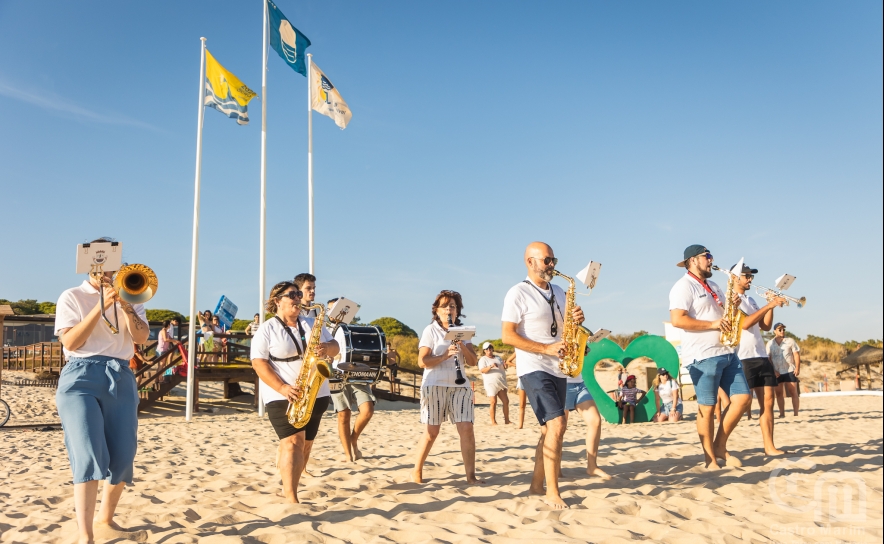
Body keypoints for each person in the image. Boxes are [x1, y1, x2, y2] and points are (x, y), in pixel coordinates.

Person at [54, 237, 151, 544]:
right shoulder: (71, 296)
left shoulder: (131, 297)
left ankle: (106, 519)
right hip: (80, 376)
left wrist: (124, 305)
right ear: (89, 265)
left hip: (120, 374)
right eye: (98, 263)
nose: (105, 269)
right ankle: (86, 536)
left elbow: (142, 337)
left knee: (123, 456)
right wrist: (100, 305)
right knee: (89, 454)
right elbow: (71, 342)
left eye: (111, 262)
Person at [501, 242, 585, 509]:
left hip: (558, 368)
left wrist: (577, 320)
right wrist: (545, 348)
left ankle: (536, 486)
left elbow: (564, 329)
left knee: (550, 429)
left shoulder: (560, 291)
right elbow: (507, 335)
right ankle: (552, 492)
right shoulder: (517, 293)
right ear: (530, 262)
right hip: (533, 366)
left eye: (553, 260)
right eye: (547, 260)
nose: (552, 265)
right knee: (558, 425)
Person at [250, 281, 339, 503]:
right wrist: (282, 387)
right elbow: (258, 363)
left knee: (306, 443)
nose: (298, 298)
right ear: (277, 301)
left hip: (316, 392)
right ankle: (291, 497)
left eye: (299, 294)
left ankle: (292, 483)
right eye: (293, 295)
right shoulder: (267, 329)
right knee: (292, 442)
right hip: (282, 394)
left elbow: (336, 346)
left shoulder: (311, 322)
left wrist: (327, 348)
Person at [669, 244, 751, 469]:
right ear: (693, 260)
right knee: (707, 407)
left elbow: (724, 314)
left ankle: (719, 445)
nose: (711, 260)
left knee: (743, 398)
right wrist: (713, 324)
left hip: (727, 351)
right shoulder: (683, 286)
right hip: (702, 355)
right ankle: (710, 459)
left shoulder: (714, 284)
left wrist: (732, 307)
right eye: (708, 256)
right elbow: (678, 320)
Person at [412, 290, 483, 485]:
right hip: (435, 384)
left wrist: (461, 344)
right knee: (432, 432)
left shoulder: (463, 331)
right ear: (436, 310)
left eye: (452, 306)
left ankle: (471, 476)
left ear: (457, 311)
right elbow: (422, 361)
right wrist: (445, 355)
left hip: (460, 385)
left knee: (467, 428)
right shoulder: (430, 330)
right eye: (445, 306)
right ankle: (417, 470)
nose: (449, 309)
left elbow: (473, 361)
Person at [734, 264, 786, 455]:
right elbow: (746, 324)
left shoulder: (751, 299)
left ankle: (769, 447)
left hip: (761, 355)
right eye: (746, 276)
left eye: (751, 276)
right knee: (741, 404)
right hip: (744, 356)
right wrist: (769, 304)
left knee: (769, 402)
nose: (750, 279)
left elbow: (765, 326)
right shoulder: (732, 299)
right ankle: (721, 444)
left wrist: (770, 306)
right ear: (735, 277)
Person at [563, 372, 610, 479]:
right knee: (560, 428)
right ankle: (556, 468)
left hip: (579, 384)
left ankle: (592, 466)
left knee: (595, 421)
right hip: (560, 384)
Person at [767, 323, 802, 417]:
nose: (782, 331)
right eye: (780, 329)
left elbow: (796, 354)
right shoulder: (770, 343)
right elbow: (768, 358)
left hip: (790, 370)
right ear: (774, 331)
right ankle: (782, 414)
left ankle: (796, 414)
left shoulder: (790, 341)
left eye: (783, 329)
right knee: (778, 393)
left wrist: (797, 368)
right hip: (777, 371)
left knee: (793, 392)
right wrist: (773, 371)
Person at [478, 342, 511, 425]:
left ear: (492, 349)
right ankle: (493, 421)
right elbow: (482, 370)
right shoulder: (483, 359)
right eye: (487, 349)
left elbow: (503, 368)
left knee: (506, 401)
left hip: (501, 382)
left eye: (490, 348)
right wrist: (490, 366)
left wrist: (505, 365)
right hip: (491, 383)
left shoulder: (498, 358)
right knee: (493, 402)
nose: (489, 350)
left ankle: (507, 420)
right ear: (484, 350)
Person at [506, 353, 528, 429]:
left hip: (533, 376)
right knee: (522, 404)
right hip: (522, 377)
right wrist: (515, 365)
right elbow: (508, 361)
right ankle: (520, 425)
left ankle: (544, 423)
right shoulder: (518, 350)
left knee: (538, 402)